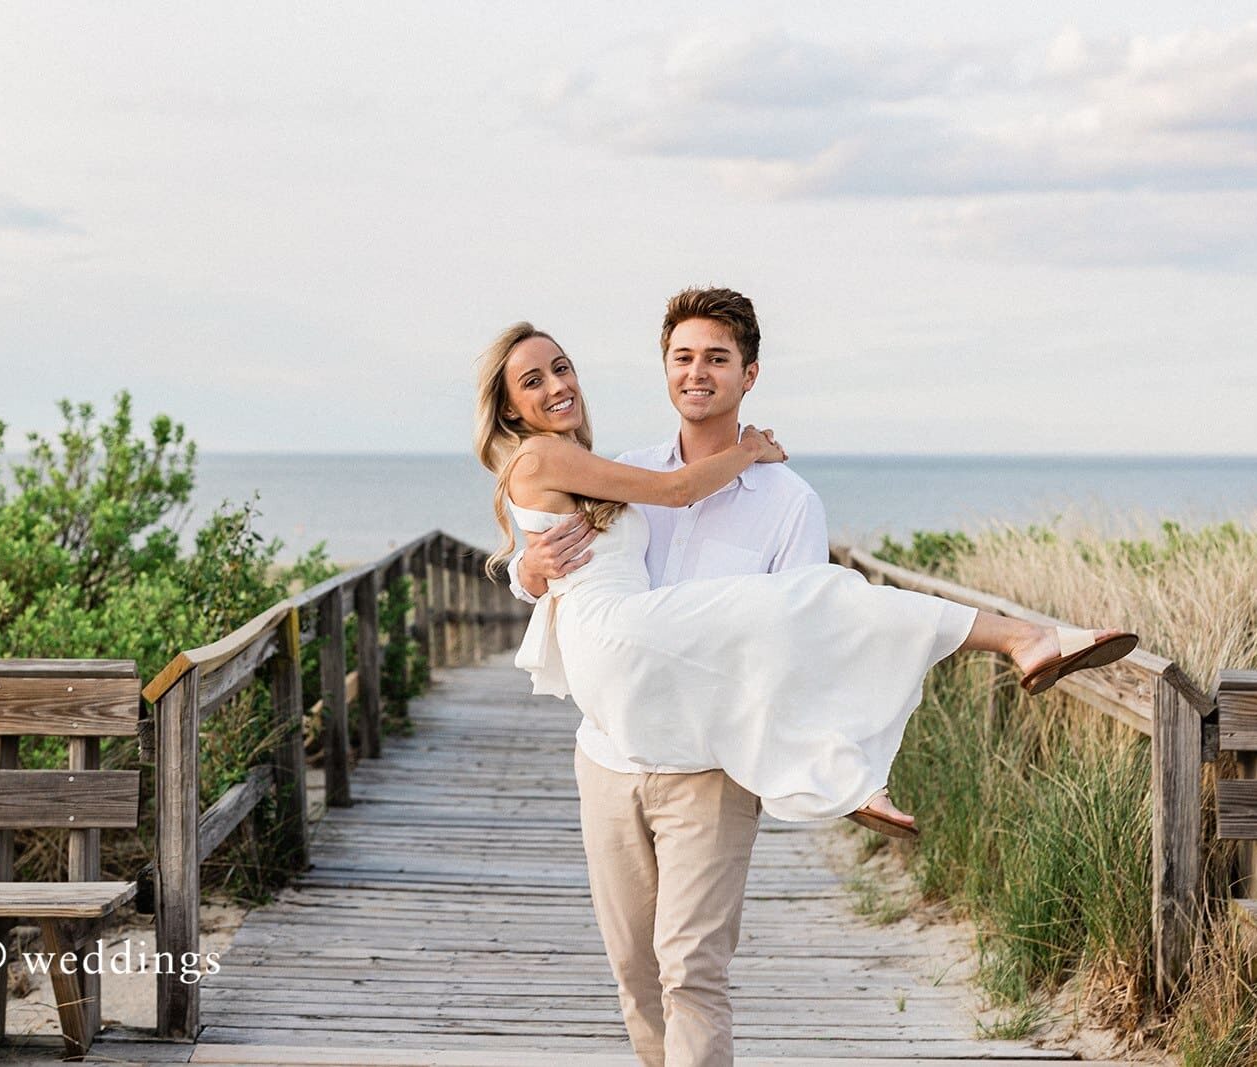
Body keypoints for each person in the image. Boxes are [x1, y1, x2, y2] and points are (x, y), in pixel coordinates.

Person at [476, 290, 1135, 1065]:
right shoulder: (622, 468)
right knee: (634, 973)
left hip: (708, 765)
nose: (697, 373)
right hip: (613, 746)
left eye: (716, 358)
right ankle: (874, 754)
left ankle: (976, 673)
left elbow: (808, 649)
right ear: (662, 370)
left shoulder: (788, 504)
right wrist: (524, 568)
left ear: (747, 374)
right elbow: (575, 545)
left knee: (690, 969)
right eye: (682, 357)